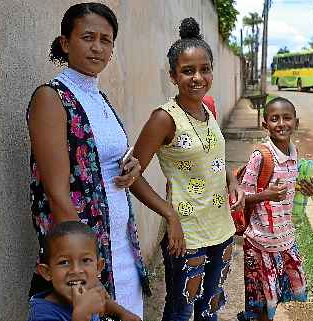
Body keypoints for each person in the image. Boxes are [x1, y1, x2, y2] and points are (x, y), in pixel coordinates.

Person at [27, 3, 183, 318]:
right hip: (84, 251)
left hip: (121, 241)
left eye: (106, 39)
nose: (97, 47)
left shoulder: (99, 97)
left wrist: (134, 169)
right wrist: (84, 268)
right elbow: (57, 195)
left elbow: (112, 163)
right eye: (88, 37)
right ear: (65, 43)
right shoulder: (51, 98)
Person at [131, 17, 244, 321]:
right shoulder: (164, 119)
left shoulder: (207, 107)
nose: (198, 77)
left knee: (210, 308)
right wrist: (169, 214)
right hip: (188, 235)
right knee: (181, 311)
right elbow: (131, 175)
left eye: (204, 69)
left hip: (221, 229)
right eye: (188, 71)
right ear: (173, 75)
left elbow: (212, 157)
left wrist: (232, 180)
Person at [237, 97, 313, 321]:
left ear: (296, 122)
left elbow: (296, 193)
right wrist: (267, 195)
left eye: (287, 118)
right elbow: (241, 198)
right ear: (265, 125)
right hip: (261, 243)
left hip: (285, 241)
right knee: (264, 301)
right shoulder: (261, 157)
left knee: (276, 297)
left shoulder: (295, 156)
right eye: (274, 119)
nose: (281, 123)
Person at [28, 221, 139, 321]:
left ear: (98, 267)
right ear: (47, 272)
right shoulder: (42, 314)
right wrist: (81, 314)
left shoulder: (92, 288)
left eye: (85, 260)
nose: (76, 270)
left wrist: (123, 313)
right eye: (64, 262)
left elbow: (103, 302)